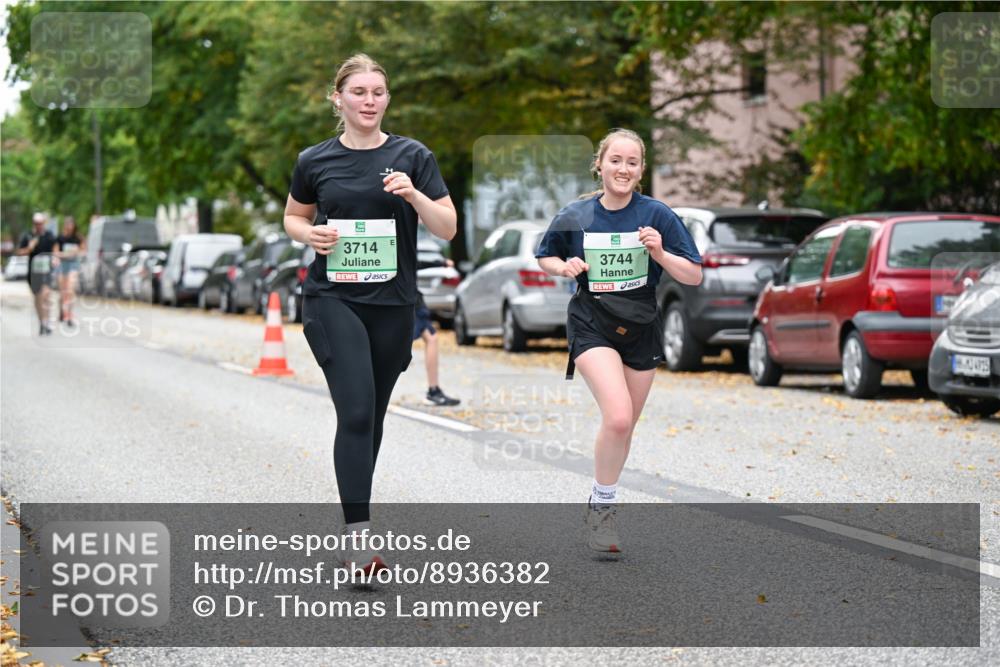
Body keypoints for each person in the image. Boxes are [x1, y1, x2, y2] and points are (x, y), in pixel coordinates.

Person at [283, 54, 457, 573]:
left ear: (387, 99)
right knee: (355, 410)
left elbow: (447, 226)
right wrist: (308, 234)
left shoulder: (412, 155)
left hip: (393, 303)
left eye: (378, 92)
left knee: (374, 416)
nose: (369, 100)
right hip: (332, 296)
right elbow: (295, 216)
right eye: (358, 91)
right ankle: (359, 536)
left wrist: (415, 194)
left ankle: (356, 513)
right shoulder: (315, 160)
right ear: (338, 98)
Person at [535, 129, 703, 553]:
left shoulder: (658, 214)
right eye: (615, 161)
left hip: (641, 324)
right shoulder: (577, 215)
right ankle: (604, 509)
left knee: (625, 427)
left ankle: (600, 496)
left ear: (641, 170)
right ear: (600, 164)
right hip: (592, 321)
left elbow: (694, 274)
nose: (623, 169)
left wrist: (661, 254)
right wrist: (565, 267)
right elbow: (545, 254)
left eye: (632, 162)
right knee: (619, 418)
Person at [414, 256, 460, 407]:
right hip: (406, 299)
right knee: (430, 337)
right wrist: (440, 263)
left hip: (407, 299)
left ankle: (433, 390)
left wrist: (440, 263)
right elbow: (412, 262)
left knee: (430, 336)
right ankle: (433, 391)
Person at [16, 212, 59, 335]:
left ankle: (47, 321)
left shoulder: (49, 235)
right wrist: (29, 248)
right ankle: (42, 322)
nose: (38, 226)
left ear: (43, 223)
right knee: (38, 298)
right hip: (33, 272)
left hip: (46, 270)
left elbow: (55, 246)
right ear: (33, 223)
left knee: (46, 295)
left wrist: (55, 257)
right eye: (36, 223)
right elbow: (19, 251)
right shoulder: (28, 236)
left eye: (40, 223)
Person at [56, 216, 85, 328]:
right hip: (63, 265)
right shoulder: (60, 238)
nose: (69, 227)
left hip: (73, 265)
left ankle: (69, 315)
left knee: (70, 290)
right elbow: (56, 252)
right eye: (67, 224)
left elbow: (83, 250)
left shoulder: (78, 238)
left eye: (71, 224)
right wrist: (65, 254)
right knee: (63, 292)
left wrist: (77, 251)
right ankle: (62, 311)